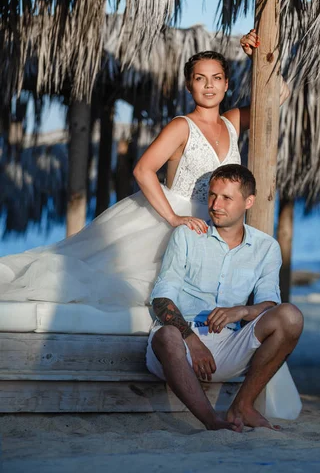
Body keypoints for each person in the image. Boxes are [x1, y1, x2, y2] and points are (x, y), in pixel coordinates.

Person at [0, 29, 289, 307]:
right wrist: (175, 218)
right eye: (200, 79)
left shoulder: (232, 121)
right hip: (173, 222)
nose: (209, 85)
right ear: (189, 85)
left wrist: (257, 58)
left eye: (216, 78)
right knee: (114, 283)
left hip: (214, 226)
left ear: (227, 84)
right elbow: (143, 170)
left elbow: (280, 96)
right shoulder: (181, 126)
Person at [147, 164, 304, 432]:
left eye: (226, 198)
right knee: (165, 336)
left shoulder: (266, 248)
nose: (215, 204)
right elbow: (161, 301)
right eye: (212, 195)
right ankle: (212, 421)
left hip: (231, 345)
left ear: (249, 201)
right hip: (180, 347)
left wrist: (241, 312)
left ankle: (243, 405)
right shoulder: (186, 235)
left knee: (291, 316)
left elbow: (270, 305)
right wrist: (192, 341)